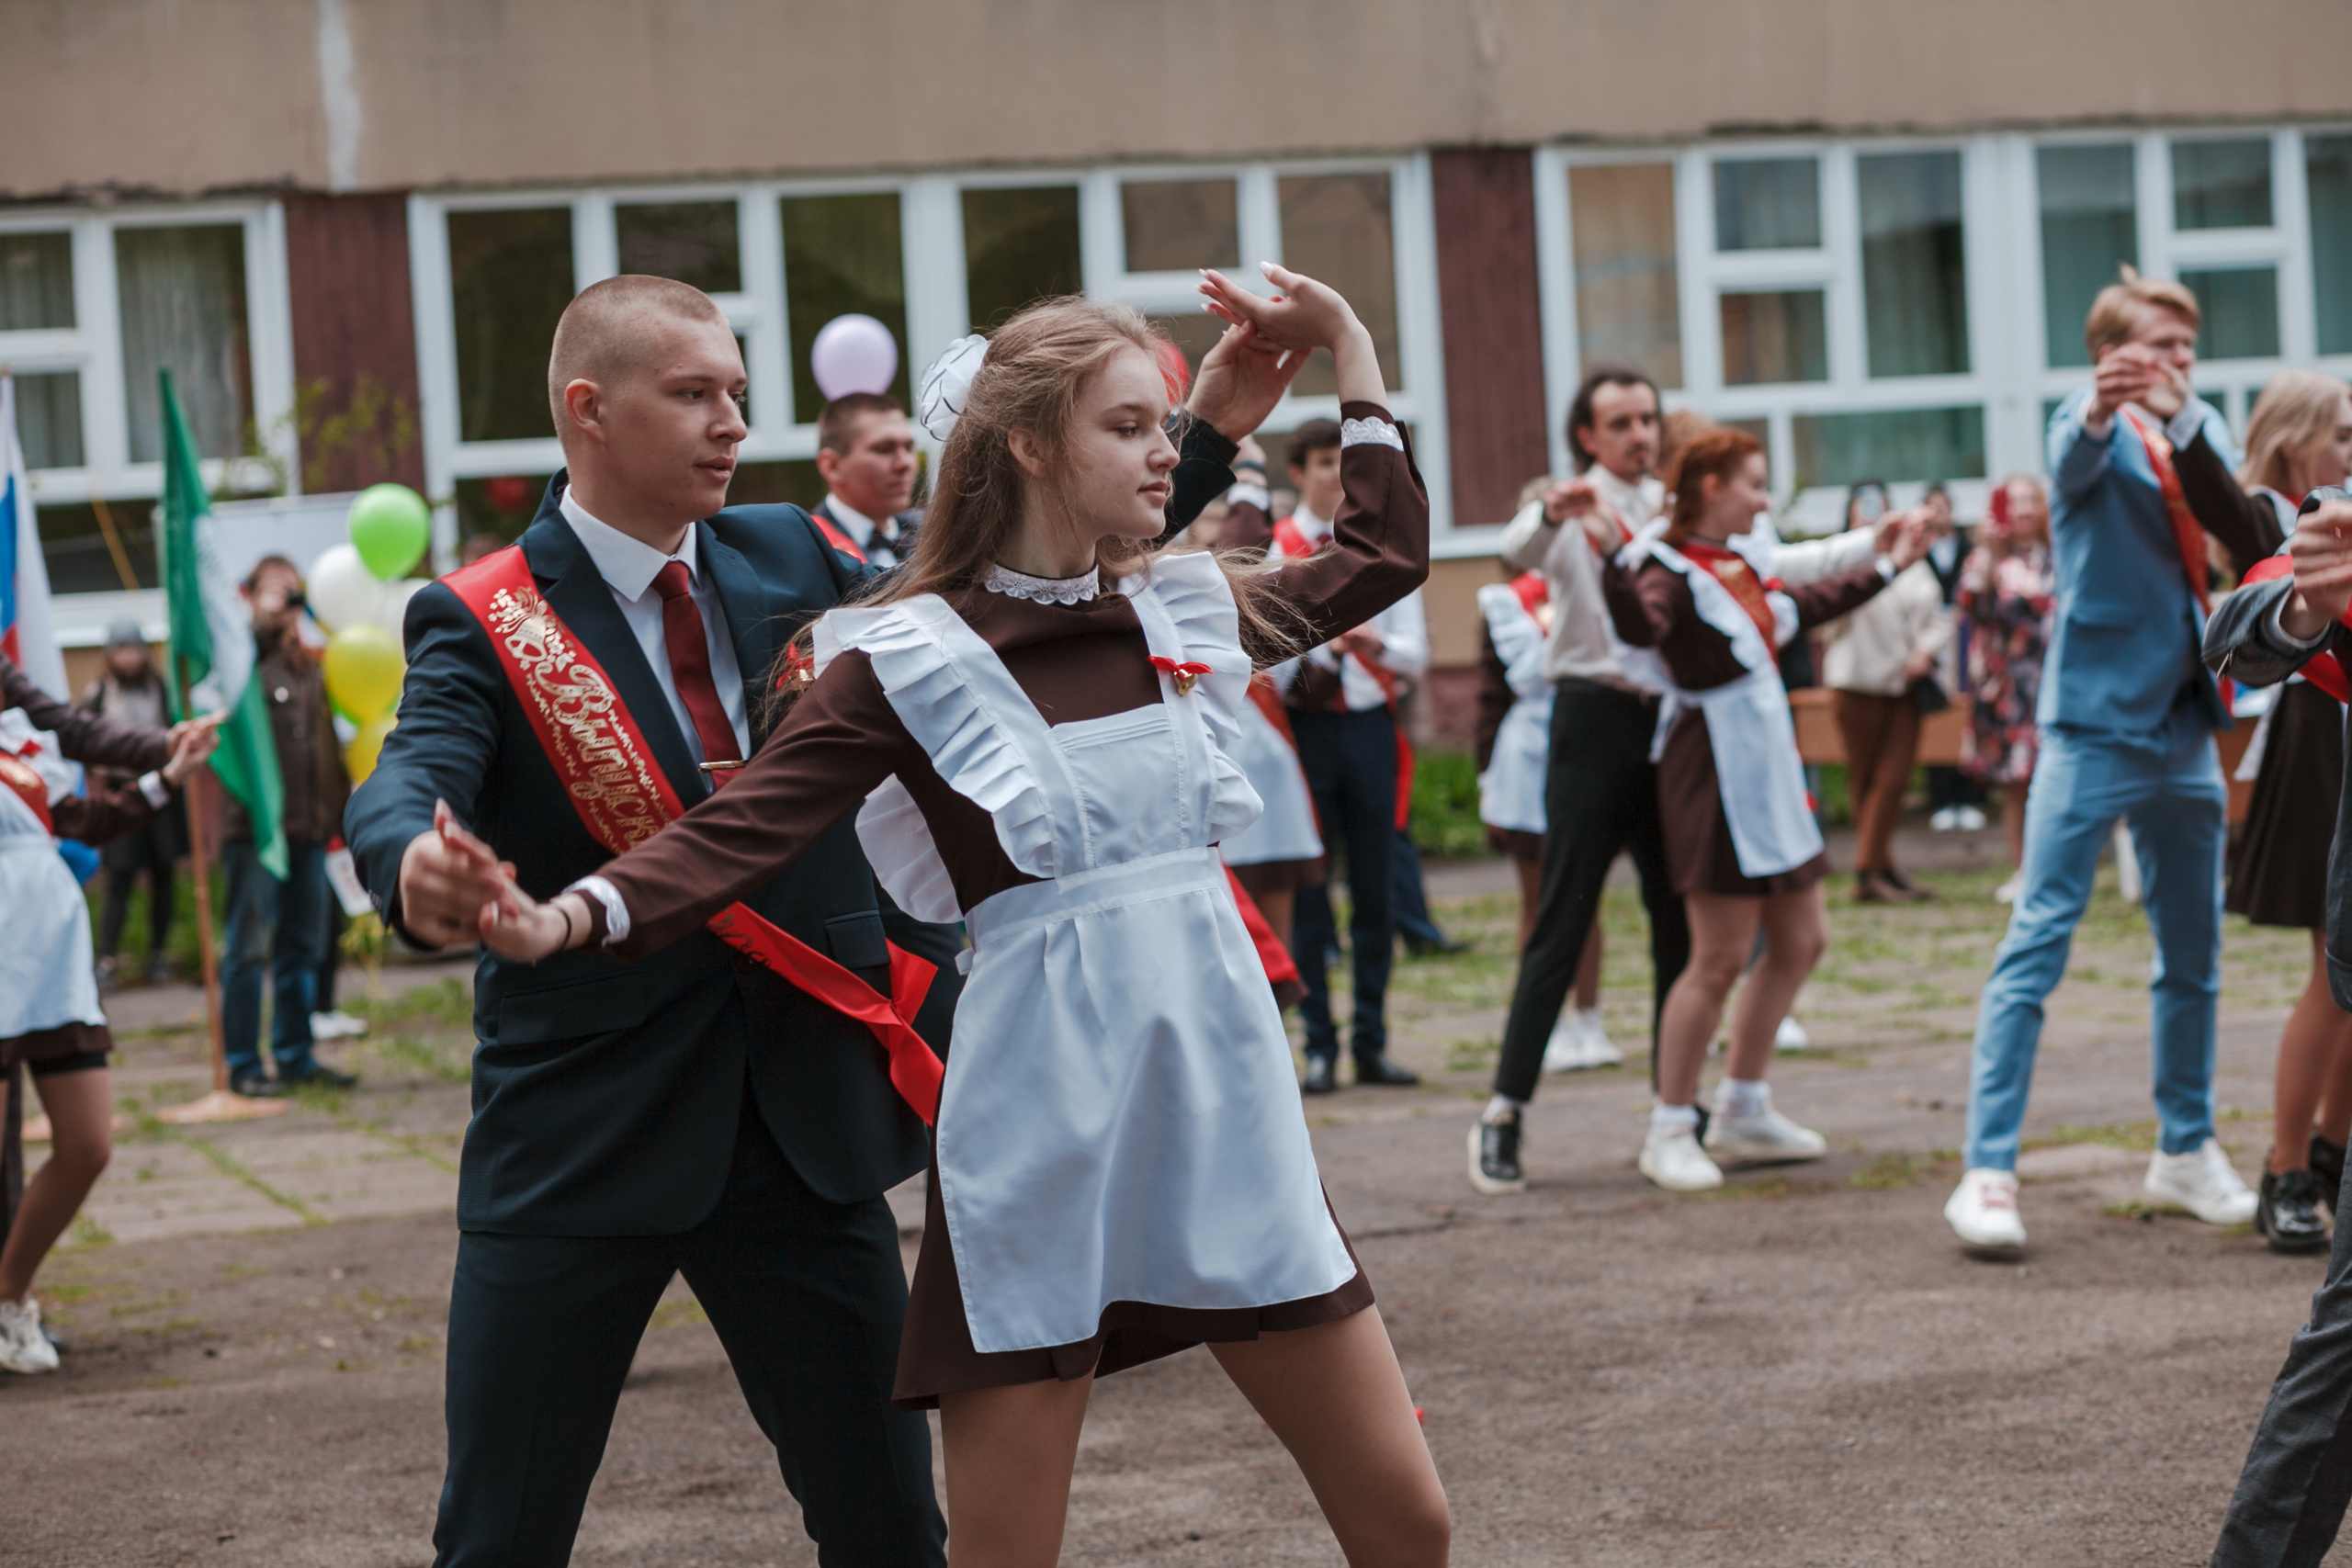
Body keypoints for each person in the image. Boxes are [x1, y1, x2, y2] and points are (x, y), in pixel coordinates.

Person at [467, 274, 1451, 1568]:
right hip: (1039, 1119)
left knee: (1410, 1523)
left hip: (1227, 1101)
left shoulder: (1187, 607)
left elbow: (1385, 553)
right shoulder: (904, 655)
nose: (1168, 451)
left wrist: (1352, 346)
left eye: (1168, 425)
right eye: (1129, 426)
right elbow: (743, 824)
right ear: (1032, 445)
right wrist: (571, 918)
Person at [1942, 268, 2276, 1253]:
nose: (2176, 363)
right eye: (2155, 347)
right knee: (2037, 940)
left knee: (2193, 951)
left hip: (2184, 719)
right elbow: (2072, 460)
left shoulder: (2196, 424)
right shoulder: (2080, 424)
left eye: (2185, 347)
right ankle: (1987, 1170)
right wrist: (2100, 403)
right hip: (2091, 723)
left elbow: (2235, 524)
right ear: (2108, 354)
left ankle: (2183, 1149)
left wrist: (2181, 416)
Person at [1600, 428, 1923, 1190]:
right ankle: (1671, 1124)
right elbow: (1639, 626)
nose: (1764, 498)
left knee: (1803, 936)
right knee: (1715, 956)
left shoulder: (1734, 560)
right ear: (1710, 487)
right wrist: (1600, 552)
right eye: (1752, 483)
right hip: (1712, 767)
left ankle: (1743, 1105)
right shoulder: (1663, 569)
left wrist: (1886, 564)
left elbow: (1800, 603)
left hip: (1764, 761)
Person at [2175, 370, 2352, 1251]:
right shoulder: (2272, 515)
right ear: (2294, 443)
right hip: (2321, 758)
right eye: (2343, 435)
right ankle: (2286, 1167)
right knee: (2333, 971)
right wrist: (2175, 413)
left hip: (2336, 739)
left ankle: (2331, 1153)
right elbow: (2217, 502)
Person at [1, 708, 218, 1373]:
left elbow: (80, 819)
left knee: (88, 1143)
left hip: (49, 956)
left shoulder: (16, 732)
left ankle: (8, 1299)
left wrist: (167, 774)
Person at [1245, 418, 1428, 1094]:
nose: (1336, 474)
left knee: (1376, 884)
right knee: (1312, 889)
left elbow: (1416, 652)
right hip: (1307, 731)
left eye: (1345, 462)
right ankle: (1320, 1044)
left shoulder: (1378, 550)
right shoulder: (1276, 552)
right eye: (1325, 461)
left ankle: (1373, 1039)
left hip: (1372, 724)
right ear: (1299, 472)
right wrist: (1318, 651)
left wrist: (1371, 645)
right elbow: (1265, 659)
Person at [219, 557, 357, 1099]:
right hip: (256, 833)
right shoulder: (243, 658)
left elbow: (327, 749)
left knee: (304, 945)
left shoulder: (306, 667)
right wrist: (262, 620)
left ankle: (295, 1054)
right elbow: (234, 667)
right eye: (272, 590)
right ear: (249, 596)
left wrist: (342, 820)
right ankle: (242, 1063)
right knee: (249, 947)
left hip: (309, 830)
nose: (285, 601)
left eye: (291, 591)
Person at [1474, 556, 1615, 1066]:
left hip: (1585, 753)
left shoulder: (1600, 588)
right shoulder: (1505, 602)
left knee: (1587, 897)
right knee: (1536, 902)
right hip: (1528, 763)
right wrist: (1485, 775)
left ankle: (1590, 1019)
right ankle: (1547, 1025)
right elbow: (1504, 689)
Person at [1215, 438, 1325, 951]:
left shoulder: (1253, 581)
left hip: (1266, 757)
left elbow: (1281, 673)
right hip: (1216, 765)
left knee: (1277, 924)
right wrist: (1252, 476)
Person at [1819, 496, 1953, 902]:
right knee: (1865, 780)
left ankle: (1869, 868)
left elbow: (1939, 617)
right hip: (1856, 682)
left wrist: (1925, 651)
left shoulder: (1913, 562)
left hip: (1904, 685)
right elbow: (1824, 619)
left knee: (1893, 779)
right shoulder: (1844, 562)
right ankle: (1878, 868)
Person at [1955, 475, 2057, 901]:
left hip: (2056, 683)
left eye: (2031, 500)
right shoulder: (1985, 562)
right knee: (2019, 782)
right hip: (2010, 692)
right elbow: (1969, 609)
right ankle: (2023, 872)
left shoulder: (2059, 555)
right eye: (2014, 503)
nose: (2024, 510)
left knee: (2058, 779)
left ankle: (2058, 870)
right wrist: (1989, 555)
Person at [78, 622, 185, 988]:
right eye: (121, 649)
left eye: (135, 648)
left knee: (163, 874)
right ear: (110, 654)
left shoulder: (160, 688)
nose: (129, 657)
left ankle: (158, 955)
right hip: (122, 792)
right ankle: (107, 957)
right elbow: (83, 738)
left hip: (162, 791)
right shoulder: (99, 693)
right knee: (120, 877)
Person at [1917, 481, 1987, 833]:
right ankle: (1942, 798)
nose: (1939, 515)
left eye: (1943, 507)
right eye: (1932, 508)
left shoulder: (1968, 547)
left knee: (1967, 707)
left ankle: (1970, 796)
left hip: (1965, 635)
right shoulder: (1916, 549)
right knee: (1938, 709)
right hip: (1932, 637)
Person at [810, 392, 922, 569]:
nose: (905, 463)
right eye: (884, 449)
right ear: (831, 466)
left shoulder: (931, 534)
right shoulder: (811, 545)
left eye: (909, 448)